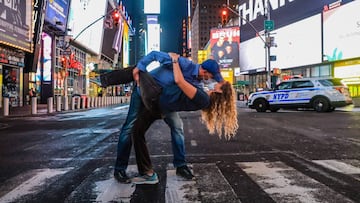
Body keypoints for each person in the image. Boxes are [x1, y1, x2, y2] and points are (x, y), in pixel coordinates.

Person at [101, 51, 227, 183]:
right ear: (204, 70)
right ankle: (119, 169)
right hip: (144, 91)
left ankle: (180, 165)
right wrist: (140, 67)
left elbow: (186, 88)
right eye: (211, 76)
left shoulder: (198, 84)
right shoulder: (183, 63)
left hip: (163, 104)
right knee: (129, 127)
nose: (211, 79)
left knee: (177, 127)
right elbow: (154, 54)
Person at [130, 52, 238, 184]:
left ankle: (149, 173)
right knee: (177, 127)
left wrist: (175, 61)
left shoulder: (202, 97)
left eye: (216, 82)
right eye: (212, 77)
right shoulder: (202, 91)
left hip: (159, 103)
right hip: (165, 105)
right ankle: (179, 166)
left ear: (219, 92)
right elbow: (157, 57)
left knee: (137, 131)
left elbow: (179, 81)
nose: (212, 81)